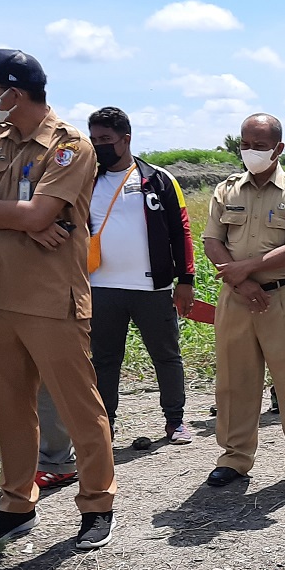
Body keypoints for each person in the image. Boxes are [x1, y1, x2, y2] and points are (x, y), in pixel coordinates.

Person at [0, 48, 116, 549]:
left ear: (13, 93)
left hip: (51, 298)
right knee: (8, 406)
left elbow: (35, 216)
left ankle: (96, 502)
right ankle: (16, 505)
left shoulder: (71, 147)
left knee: (77, 406)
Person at [202, 114, 285, 491]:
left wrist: (247, 271)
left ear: (278, 148)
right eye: (245, 143)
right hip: (237, 301)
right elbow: (212, 241)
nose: (251, 151)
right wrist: (240, 282)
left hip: (282, 297)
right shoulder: (226, 191)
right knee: (234, 381)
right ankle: (234, 458)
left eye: (260, 145)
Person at [83, 106, 196, 443]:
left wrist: (185, 281)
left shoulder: (158, 179)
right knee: (104, 360)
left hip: (152, 287)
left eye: (106, 139)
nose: (99, 145)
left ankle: (175, 421)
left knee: (166, 355)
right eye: (94, 139)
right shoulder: (87, 181)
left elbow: (182, 231)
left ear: (126, 139)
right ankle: (106, 426)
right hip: (100, 287)